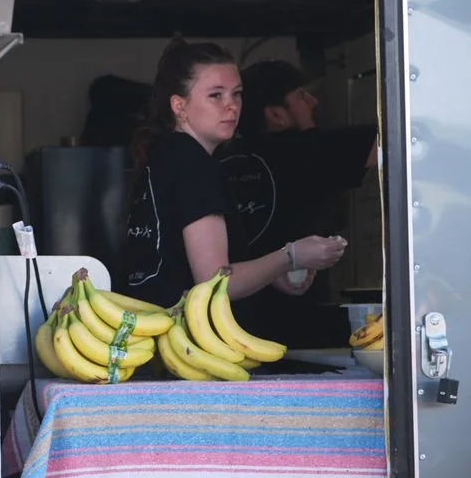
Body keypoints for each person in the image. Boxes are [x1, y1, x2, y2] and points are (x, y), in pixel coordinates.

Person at [122, 37, 348, 309]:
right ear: (179, 106)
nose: (231, 105)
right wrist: (291, 256)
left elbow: (177, 258)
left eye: (236, 93)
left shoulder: (166, 155)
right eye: (215, 95)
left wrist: (274, 274)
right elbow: (215, 282)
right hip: (187, 339)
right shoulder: (193, 164)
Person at [218, 57, 379, 347]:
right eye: (301, 96)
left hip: (225, 324)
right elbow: (403, 143)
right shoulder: (305, 152)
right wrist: (309, 131)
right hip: (297, 322)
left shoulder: (220, 158)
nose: (313, 101)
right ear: (277, 114)